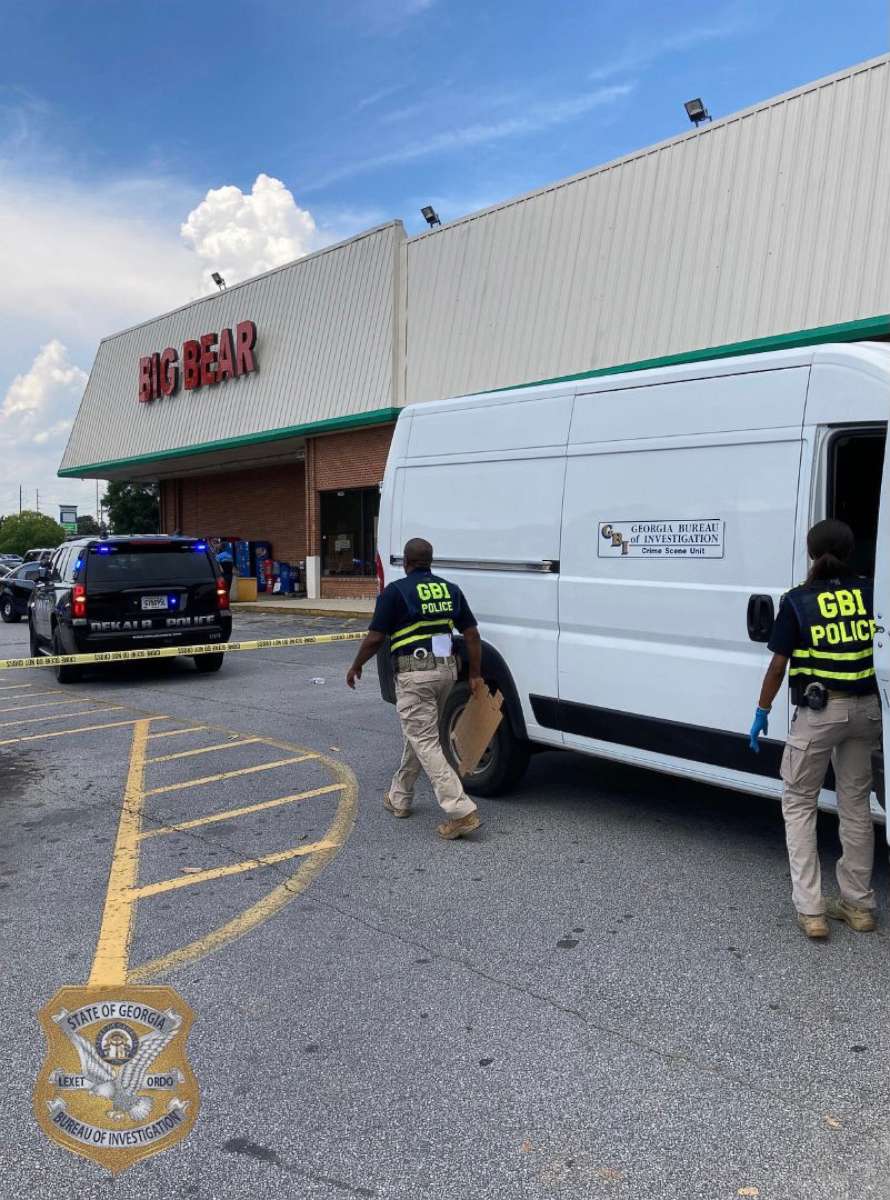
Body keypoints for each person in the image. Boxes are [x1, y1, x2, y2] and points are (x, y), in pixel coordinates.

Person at [750, 519, 882, 939]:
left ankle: (812, 911)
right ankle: (858, 904)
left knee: (799, 802)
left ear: (811, 553)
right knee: (856, 806)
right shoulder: (872, 593)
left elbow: (777, 664)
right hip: (867, 713)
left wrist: (762, 710)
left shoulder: (799, 600)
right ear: (850, 550)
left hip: (820, 714)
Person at [346, 537, 483, 840]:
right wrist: (475, 674)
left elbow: (374, 638)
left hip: (415, 673)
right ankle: (400, 797)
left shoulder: (395, 592)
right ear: (429, 561)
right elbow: (472, 634)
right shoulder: (450, 590)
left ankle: (461, 811)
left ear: (406, 562)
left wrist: (356, 665)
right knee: (421, 734)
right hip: (447, 672)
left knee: (424, 739)